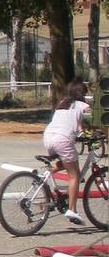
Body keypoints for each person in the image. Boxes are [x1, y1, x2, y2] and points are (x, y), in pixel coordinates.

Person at [42, 79, 91, 225]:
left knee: (66, 163)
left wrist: (82, 132)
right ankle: (72, 210)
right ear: (82, 94)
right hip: (62, 139)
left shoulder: (62, 104)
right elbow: (97, 119)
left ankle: (46, 176)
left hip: (48, 137)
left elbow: (78, 124)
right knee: (74, 176)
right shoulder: (83, 105)